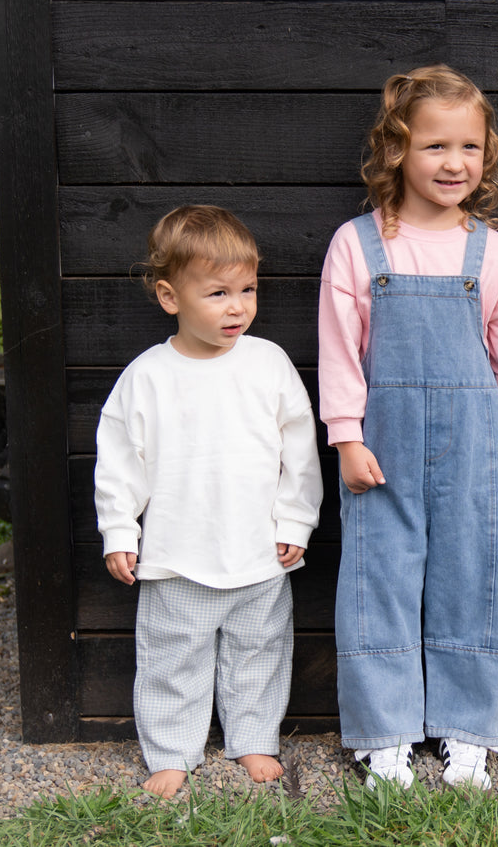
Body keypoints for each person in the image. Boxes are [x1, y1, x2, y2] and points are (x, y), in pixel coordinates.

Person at [318, 65, 498, 790]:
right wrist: (346, 435)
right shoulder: (358, 244)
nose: (454, 163)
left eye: (469, 147)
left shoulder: (490, 251)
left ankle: (466, 729)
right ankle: (385, 733)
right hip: (382, 444)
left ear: (486, 157)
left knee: (475, 575)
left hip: (475, 448)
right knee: (378, 578)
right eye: (435, 146)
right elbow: (339, 348)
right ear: (396, 153)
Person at [95, 205, 322, 799]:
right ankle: (172, 752)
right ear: (170, 296)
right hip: (177, 554)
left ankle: (253, 737)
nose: (237, 306)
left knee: (260, 652)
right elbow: (120, 462)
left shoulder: (268, 364)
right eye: (217, 292)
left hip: (257, 551)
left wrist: (297, 517)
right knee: (174, 659)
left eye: (247, 289)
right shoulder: (148, 376)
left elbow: (299, 450)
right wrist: (120, 530)